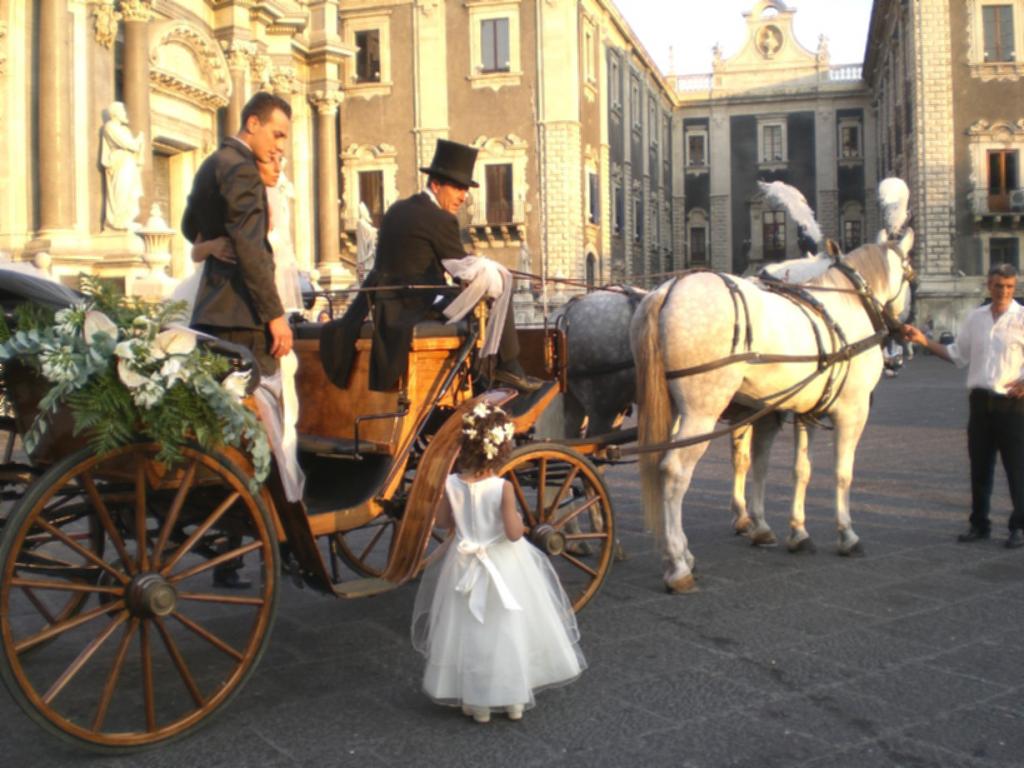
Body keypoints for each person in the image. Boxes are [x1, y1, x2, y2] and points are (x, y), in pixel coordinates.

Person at [321, 139, 542, 393]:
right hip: (413, 306)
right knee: (498, 289)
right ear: (436, 185)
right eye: (458, 188)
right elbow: (461, 270)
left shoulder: (399, 209)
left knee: (479, 292)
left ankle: (493, 372)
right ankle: (504, 370)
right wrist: (489, 272)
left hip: (384, 306)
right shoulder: (440, 218)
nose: (463, 196)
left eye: (465, 189)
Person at [411, 403, 585, 723]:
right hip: (504, 564)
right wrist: (518, 519)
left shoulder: (451, 485)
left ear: (465, 446)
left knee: (468, 629)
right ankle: (513, 700)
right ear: (501, 448)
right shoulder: (502, 488)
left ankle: (475, 702)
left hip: (463, 565)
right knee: (506, 628)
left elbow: (444, 522)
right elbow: (514, 534)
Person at [902, 262, 1024, 548]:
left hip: (1012, 406)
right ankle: (979, 524)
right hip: (980, 404)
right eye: (997, 286)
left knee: (1017, 469)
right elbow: (957, 355)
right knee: (979, 469)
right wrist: (923, 340)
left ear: (1014, 287)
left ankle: (1019, 527)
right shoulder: (976, 318)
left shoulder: (1022, 318)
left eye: (1008, 287)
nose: (1003, 292)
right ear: (988, 286)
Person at [182, 91, 293, 378]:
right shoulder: (243, 170)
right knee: (258, 411)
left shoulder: (212, 163)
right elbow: (250, 246)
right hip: (244, 315)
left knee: (218, 412)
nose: (278, 146)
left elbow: (188, 226)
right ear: (253, 123)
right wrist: (275, 315)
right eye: (277, 135)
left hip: (210, 313)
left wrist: (211, 244)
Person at [100, 101, 144, 231]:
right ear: (116, 114)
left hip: (129, 163)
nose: (125, 114)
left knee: (130, 192)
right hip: (120, 163)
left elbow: (134, 147)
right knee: (121, 190)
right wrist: (138, 141)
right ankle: (117, 222)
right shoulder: (110, 127)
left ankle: (126, 219)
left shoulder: (125, 129)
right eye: (123, 111)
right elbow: (128, 144)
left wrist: (138, 144)